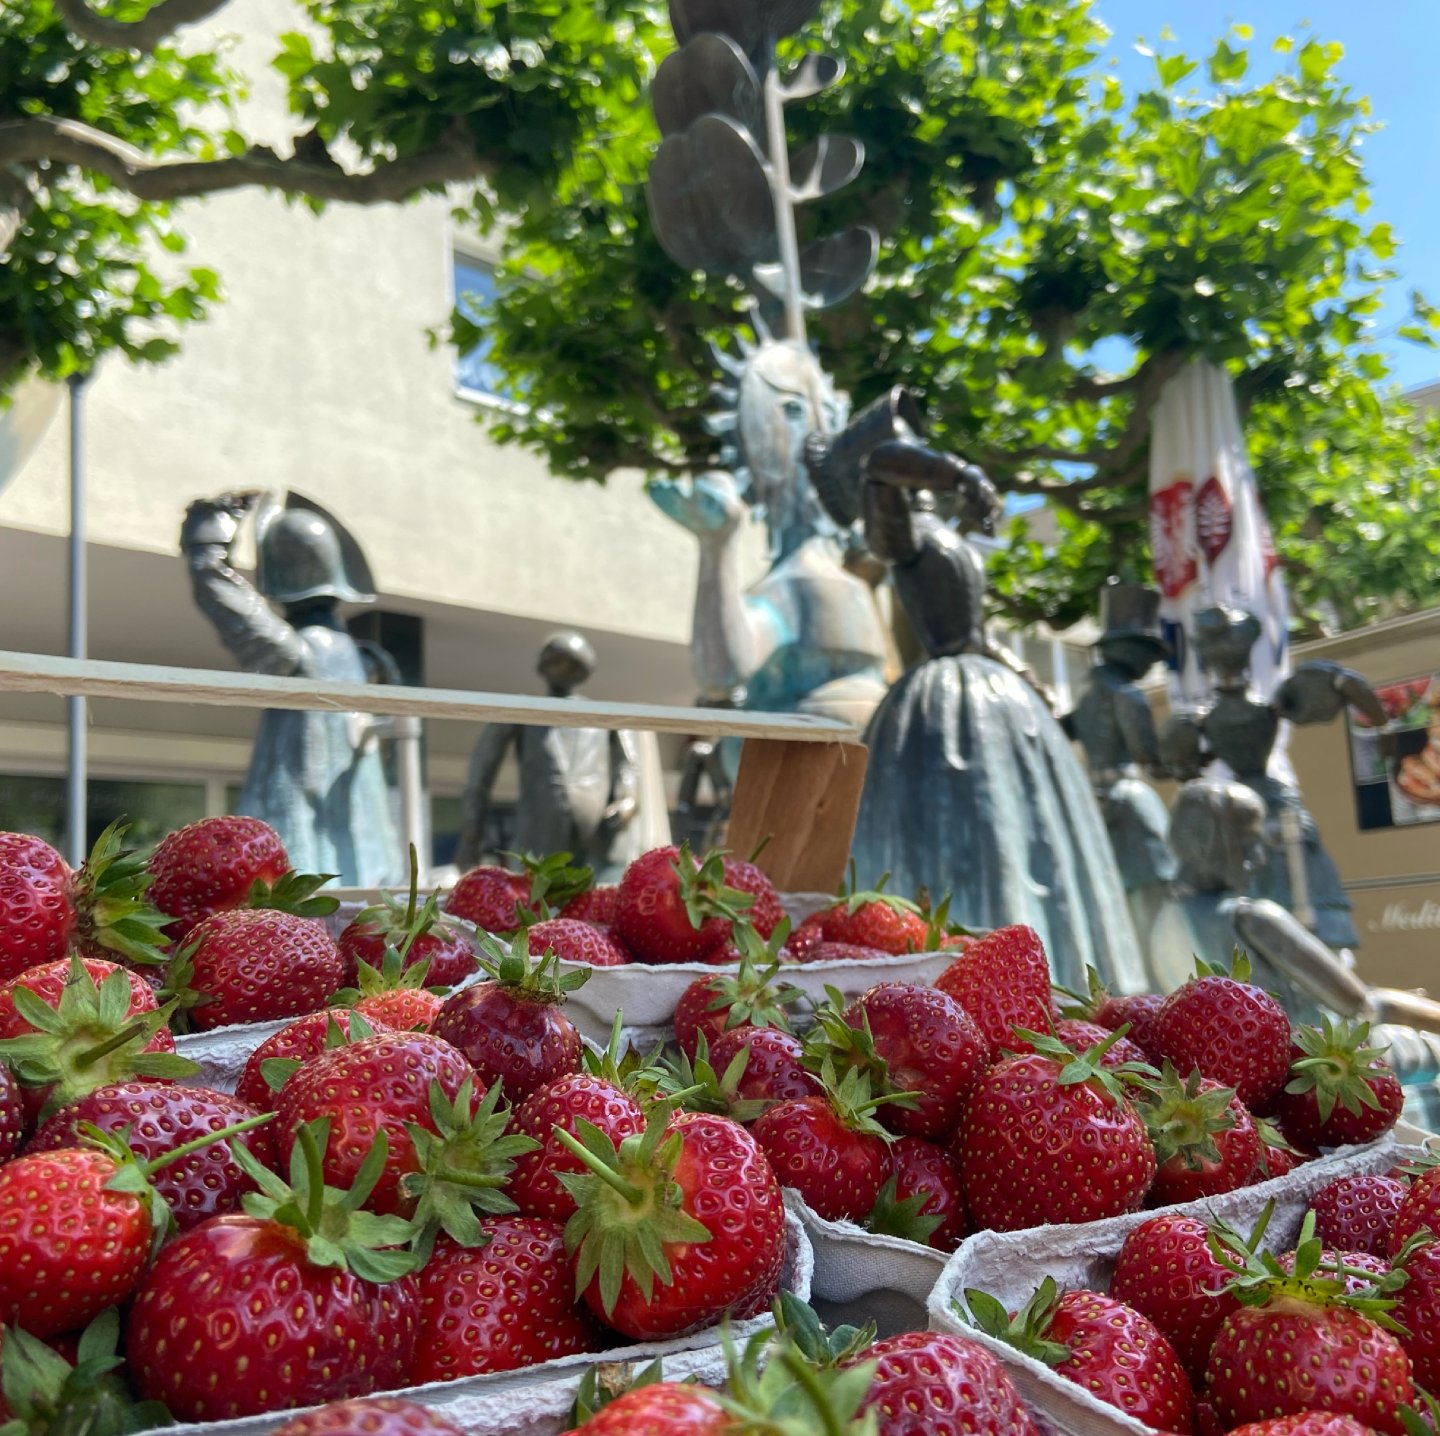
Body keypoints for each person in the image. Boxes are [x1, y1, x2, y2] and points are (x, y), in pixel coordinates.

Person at [807, 416, 1146, 993]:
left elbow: (977, 630)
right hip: (943, 708)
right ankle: (970, 982)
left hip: (992, 694)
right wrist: (959, 473)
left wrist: (1025, 679)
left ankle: (1052, 979)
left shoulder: (934, 530)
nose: (916, 459)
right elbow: (881, 466)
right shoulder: (899, 531)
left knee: (1022, 836)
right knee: (967, 836)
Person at [648, 335, 892, 733]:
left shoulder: (857, 574)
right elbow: (721, 672)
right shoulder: (789, 586)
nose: (820, 431)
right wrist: (718, 546)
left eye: (828, 413)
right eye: (792, 411)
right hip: (795, 771)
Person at [180, 490, 400, 886]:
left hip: (300, 863)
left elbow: (224, 597)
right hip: (367, 869)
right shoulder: (362, 659)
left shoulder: (297, 651)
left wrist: (207, 539)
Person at [455, 632, 649, 880]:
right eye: (557, 661)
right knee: (529, 911)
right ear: (543, 666)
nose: (564, 669)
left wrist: (628, 800)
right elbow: (480, 774)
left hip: (595, 840)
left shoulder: (606, 717)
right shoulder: (523, 712)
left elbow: (629, 766)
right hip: (536, 842)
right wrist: (471, 837)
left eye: (573, 664)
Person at [1064, 582, 1179, 958]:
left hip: (1091, 802)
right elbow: (1149, 757)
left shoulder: (1084, 693)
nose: (1151, 664)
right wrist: (1188, 756)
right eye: (1148, 652)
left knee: (1109, 901)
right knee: (1154, 898)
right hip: (1129, 802)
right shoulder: (1127, 695)